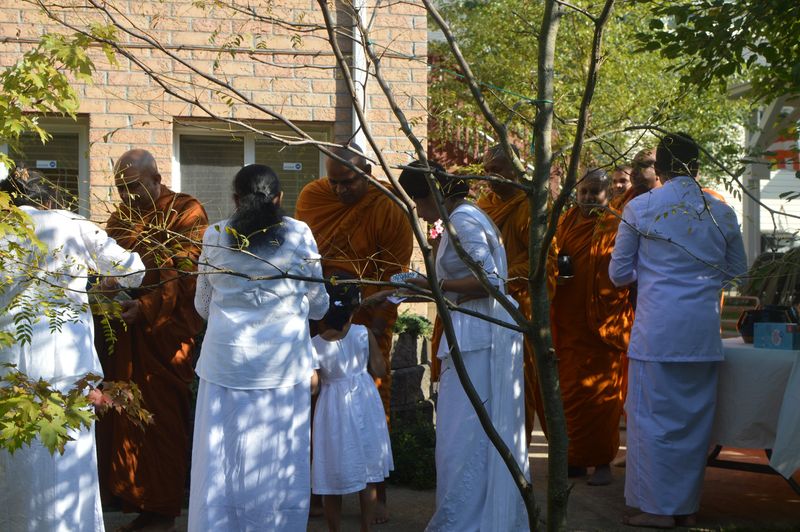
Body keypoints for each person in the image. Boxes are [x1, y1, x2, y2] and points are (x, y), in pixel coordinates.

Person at [609, 133, 747, 528]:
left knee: (651, 421)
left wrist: (653, 274)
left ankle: (657, 510)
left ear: (661, 168)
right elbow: (738, 271)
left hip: (657, 330)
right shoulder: (720, 212)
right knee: (693, 425)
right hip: (701, 332)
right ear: (697, 166)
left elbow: (618, 274)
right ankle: (684, 506)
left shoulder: (642, 207)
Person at [0, 171, 145, 532]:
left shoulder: (4, 230)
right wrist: (97, 281)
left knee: (17, 455)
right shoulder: (72, 224)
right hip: (68, 360)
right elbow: (136, 271)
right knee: (68, 453)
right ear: (48, 199)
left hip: (12, 359)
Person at [189, 164, 329, 530]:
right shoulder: (299, 234)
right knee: (278, 464)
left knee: (221, 462)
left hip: (225, 363)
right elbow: (319, 305)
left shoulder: (215, 235)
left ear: (235, 199)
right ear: (279, 198)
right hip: (282, 369)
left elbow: (203, 306)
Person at [396, 160, 529, 532]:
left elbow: (489, 282)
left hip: (479, 338)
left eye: (419, 202)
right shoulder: (462, 218)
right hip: (471, 332)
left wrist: (432, 286)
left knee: (465, 434)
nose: (419, 211)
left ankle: (471, 521)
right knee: (461, 434)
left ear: (433, 195)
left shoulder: (464, 222)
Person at [295, 143, 413, 521]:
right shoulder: (313, 196)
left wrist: (374, 327)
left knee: (372, 402)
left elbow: (395, 275)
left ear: (367, 174)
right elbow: (304, 258)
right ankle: (318, 490)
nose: (340, 190)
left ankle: (376, 494)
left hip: (367, 314)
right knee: (313, 404)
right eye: (334, 182)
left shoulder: (389, 206)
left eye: (348, 182)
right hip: (317, 314)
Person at [95, 149, 208, 531]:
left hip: (164, 336)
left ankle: (162, 512)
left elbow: (189, 272)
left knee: (162, 422)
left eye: (133, 187)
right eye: (120, 189)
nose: (126, 196)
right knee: (125, 416)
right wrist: (105, 286)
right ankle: (140, 508)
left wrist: (146, 307)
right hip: (127, 337)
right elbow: (105, 263)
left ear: (156, 179)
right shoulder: (119, 219)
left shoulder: (185, 212)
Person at [550, 169, 633, 486]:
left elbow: (626, 270)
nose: (587, 198)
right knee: (570, 393)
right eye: (583, 191)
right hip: (569, 322)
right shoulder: (566, 220)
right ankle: (574, 458)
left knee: (602, 397)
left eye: (594, 192)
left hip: (602, 325)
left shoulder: (616, 224)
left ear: (607, 194)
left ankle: (601, 463)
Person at [311, 280, 393, 532]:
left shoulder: (314, 344)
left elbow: (313, 387)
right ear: (353, 309)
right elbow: (380, 369)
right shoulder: (362, 333)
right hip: (364, 401)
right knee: (367, 468)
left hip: (331, 407)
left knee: (331, 472)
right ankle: (365, 528)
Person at [476, 144, 539, 442]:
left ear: (515, 170)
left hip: (518, 305)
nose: (490, 177)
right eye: (487, 171)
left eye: (497, 170)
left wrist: (499, 277)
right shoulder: (482, 206)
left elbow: (542, 259)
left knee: (519, 378)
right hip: (483, 304)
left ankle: (517, 446)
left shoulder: (530, 205)